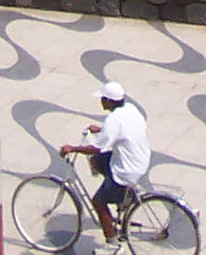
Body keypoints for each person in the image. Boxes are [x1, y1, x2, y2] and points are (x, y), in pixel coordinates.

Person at [58, 82, 150, 251]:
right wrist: (101, 130)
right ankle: (121, 196)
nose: (101, 102)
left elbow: (96, 148)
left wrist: (72, 148)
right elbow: (121, 131)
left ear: (109, 101)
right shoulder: (130, 109)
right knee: (97, 161)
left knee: (98, 202)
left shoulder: (113, 119)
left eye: (102, 99)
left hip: (126, 170)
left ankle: (112, 245)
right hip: (140, 160)